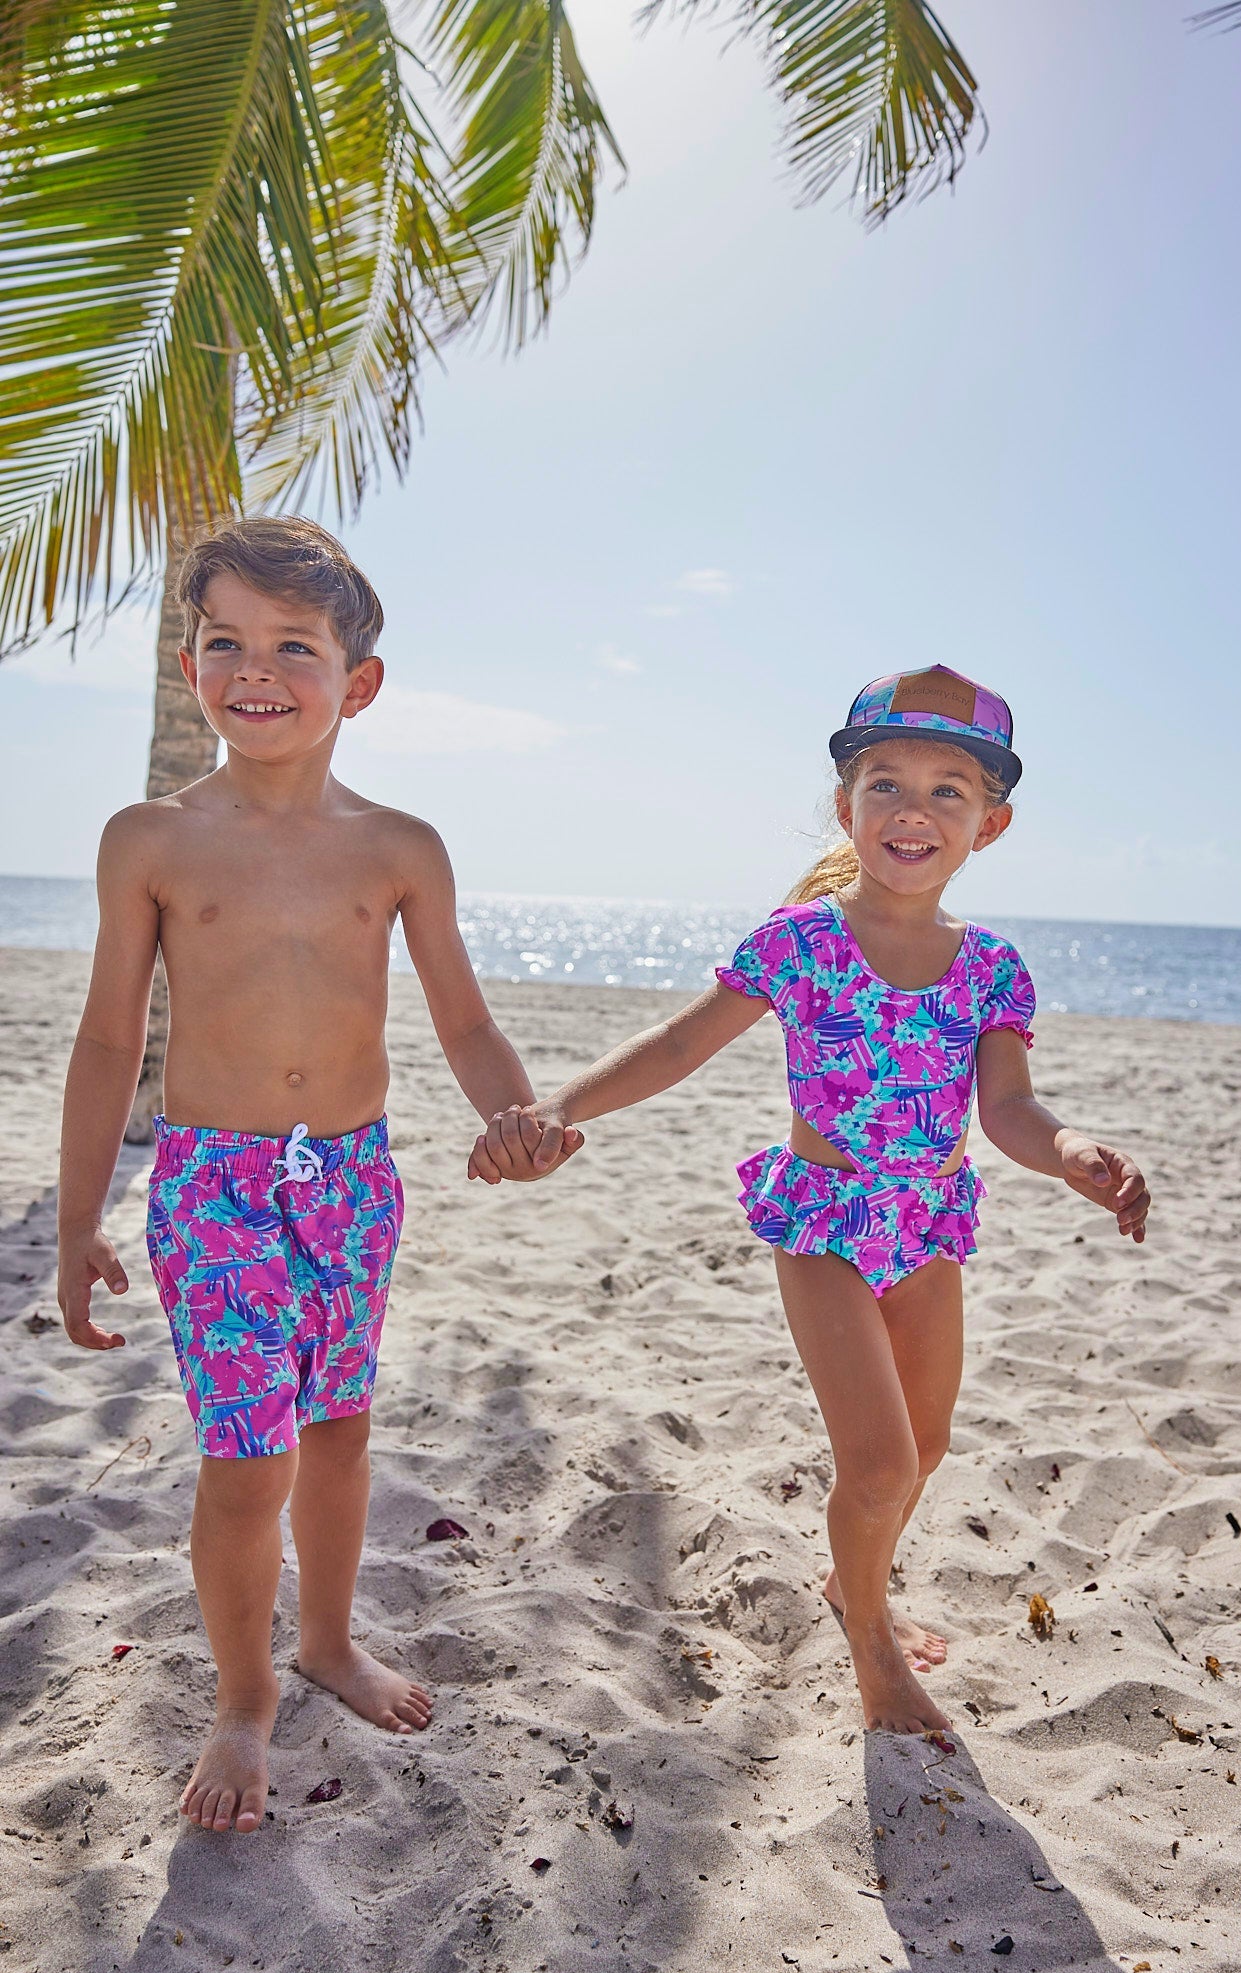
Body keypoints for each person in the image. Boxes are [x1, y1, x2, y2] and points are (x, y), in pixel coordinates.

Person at [467, 667, 1150, 1735]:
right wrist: (555, 1105)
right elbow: (678, 1043)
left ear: (991, 824)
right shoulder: (799, 941)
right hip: (824, 1221)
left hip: (925, 1227)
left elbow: (1007, 1106)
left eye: (946, 791)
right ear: (846, 806)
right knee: (875, 1459)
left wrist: (1069, 1149)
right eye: (884, 784)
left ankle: (850, 1581)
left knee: (923, 1453)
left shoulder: (989, 970)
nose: (911, 810)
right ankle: (870, 1641)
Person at [56, 517, 579, 1832]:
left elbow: (460, 1019)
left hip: (349, 1181)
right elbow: (113, 1035)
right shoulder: (150, 841)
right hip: (211, 1188)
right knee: (248, 1460)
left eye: (294, 643)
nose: (257, 668)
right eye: (224, 640)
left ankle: (329, 1641)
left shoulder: (399, 848)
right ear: (193, 668)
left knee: (340, 1429)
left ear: (358, 683)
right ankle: (243, 1702)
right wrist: (77, 1223)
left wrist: (514, 1110)